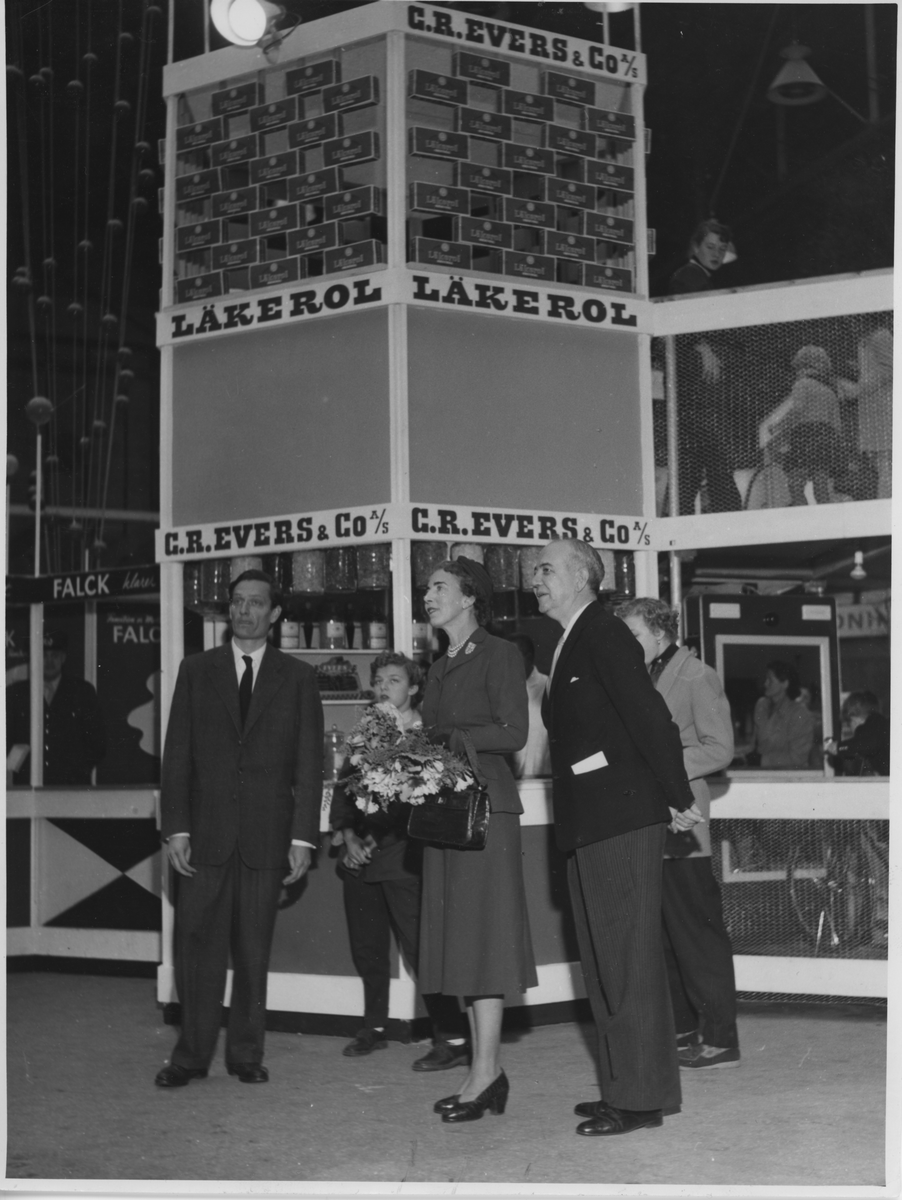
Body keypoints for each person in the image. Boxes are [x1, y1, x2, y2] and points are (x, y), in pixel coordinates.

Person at [535, 539, 698, 1138]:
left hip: (620, 818)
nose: (535, 580)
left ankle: (639, 1099)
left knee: (625, 962)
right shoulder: (572, 638)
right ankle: (625, 1087)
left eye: (547, 569)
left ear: (583, 576)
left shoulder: (604, 632)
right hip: (593, 820)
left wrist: (678, 795)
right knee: (607, 963)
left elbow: (650, 716)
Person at [156, 569, 324, 1088]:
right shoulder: (195, 669)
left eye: (255, 603)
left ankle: (246, 1053)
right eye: (237, 602)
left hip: (267, 837)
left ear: (275, 614)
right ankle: (190, 1057)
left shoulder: (298, 677)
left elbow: (309, 764)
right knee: (195, 949)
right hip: (204, 836)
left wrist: (302, 837)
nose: (244, 611)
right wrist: (176, 827)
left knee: (254, 951)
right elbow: (176, 755)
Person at [418, 556, 536, 1123]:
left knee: (483, 941)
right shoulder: (439, 665)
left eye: (439, 587)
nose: (428, 596)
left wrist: (447, 737)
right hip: (447, 812)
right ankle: (482, 1072)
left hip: (486, 812)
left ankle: (486, 1072)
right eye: (427, 588)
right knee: (462, 943)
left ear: (469, 598)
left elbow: (514, 732)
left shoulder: (499, 653)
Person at [617, 598, 739, 1071]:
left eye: (633, 635)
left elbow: (719, 748)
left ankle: (721, 1039)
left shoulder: (696, 675)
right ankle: (685, 1030)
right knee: (665, 935)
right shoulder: (640, 676)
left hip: (683, 820)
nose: (626, 645)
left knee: (697, 935)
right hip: (650, 819)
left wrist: (656, 764)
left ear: (660, 634)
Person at [330, 651, 469, 1066]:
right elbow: (345, 791)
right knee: (368, 947)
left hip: (402, 856)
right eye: (378, 681)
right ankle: (373, 1027)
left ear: (413, 687)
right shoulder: (367, 731)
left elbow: (424, 802)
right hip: (360, 856)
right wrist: (349, 837)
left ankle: (452, 1037)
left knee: (419, 946)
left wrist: (375, 837)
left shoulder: (428, 735)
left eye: (393, 680)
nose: (383, 688)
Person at [6, 630, 106, 786]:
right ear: (34, 658)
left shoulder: (82, 692)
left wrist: (78, 770)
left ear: (63, 658)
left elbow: (98, 743)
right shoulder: (16, 693)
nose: (49, 661)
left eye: (54, 656)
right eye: (44, 656)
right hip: (29, 785)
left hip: (72, 786)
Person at [767, 345, 846, 506]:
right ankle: (826, 517)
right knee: (821, 487)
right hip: (825, 440)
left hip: (805, 438)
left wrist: (778, 427)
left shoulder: (802, 384)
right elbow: (836, 425)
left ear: (802, 366)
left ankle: (803, 516)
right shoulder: (830, 392)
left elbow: (798, 410)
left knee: (795, 486)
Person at [838, 326, 893, 500]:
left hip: (885, 415)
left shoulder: (879, 335)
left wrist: (857, 389)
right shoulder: (865, 340)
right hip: (874, 417)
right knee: (882, 468)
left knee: (886, 469)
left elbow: (891, 369)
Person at [749, 661, 816, 769]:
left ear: (785, 684)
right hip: (759, 773)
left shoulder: (799, 714)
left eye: (770, 680)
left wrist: (761, 760)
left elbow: (798, 758)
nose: (765, 684)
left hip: (787, 776)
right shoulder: (761, 705)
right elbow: (754, 746)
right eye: (766, 679)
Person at [508, 634, 551, 778]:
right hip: (513, 781)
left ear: (529, 657)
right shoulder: (502, 691)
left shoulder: (547, 688)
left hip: (543, 781)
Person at [826, 691, 890, 777]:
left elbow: (865, 744)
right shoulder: (883, 725)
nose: (853, 732)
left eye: (849, 725)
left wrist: (838, 747)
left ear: (853, 718)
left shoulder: (867, 727)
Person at [668, 218, 733, 295]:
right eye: (710, 247)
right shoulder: (690, 274)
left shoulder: (699, 274)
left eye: (722, 249)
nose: (717, 254)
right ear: (696, 247)